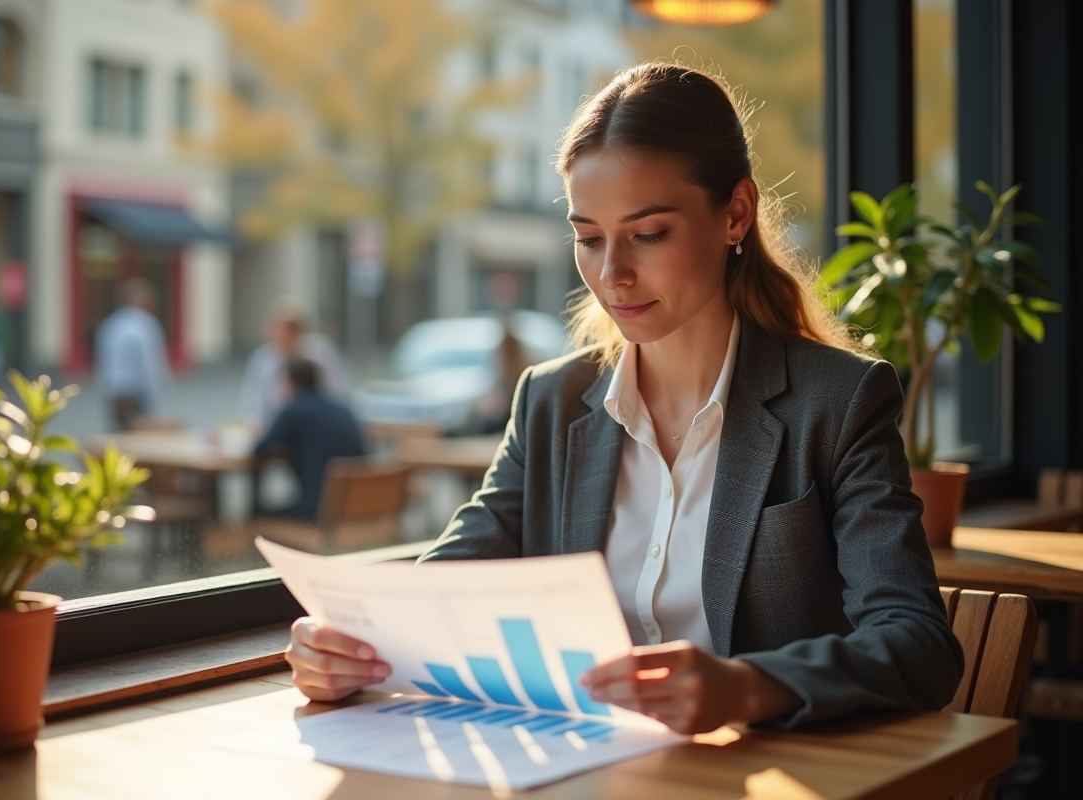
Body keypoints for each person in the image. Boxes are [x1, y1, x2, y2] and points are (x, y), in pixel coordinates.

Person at [283, 62, 964, 734]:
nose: (612, 275)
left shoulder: (837, 402)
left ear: (735, 214)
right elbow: (449, 582)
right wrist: (346, 646)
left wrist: (750, 687)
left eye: (649, 234)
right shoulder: (551, 401)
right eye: (588, 238)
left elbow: (919, 644)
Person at [252, 358, 366, 521]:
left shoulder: (293, 411)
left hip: (318, 513)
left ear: (290, 383)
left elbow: (258, 449)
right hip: (357, 510)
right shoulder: (343, 409)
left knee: (259, 514)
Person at [238, 295, 350, 433]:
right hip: (275, 431)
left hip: (316, 427)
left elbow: (337, 395)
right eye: (278, 328)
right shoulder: (263, 359)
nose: (282, 334)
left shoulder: (319, 353)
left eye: (290, 329)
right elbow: (251, 406)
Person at [94, 277, 173, 430]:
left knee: (117, 439)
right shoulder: (145, 324)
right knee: (139, 441)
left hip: (114, 393)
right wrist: (156, 390)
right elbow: (149, 363)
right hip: (136, 393)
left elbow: (102, 360)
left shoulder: (110, 324)